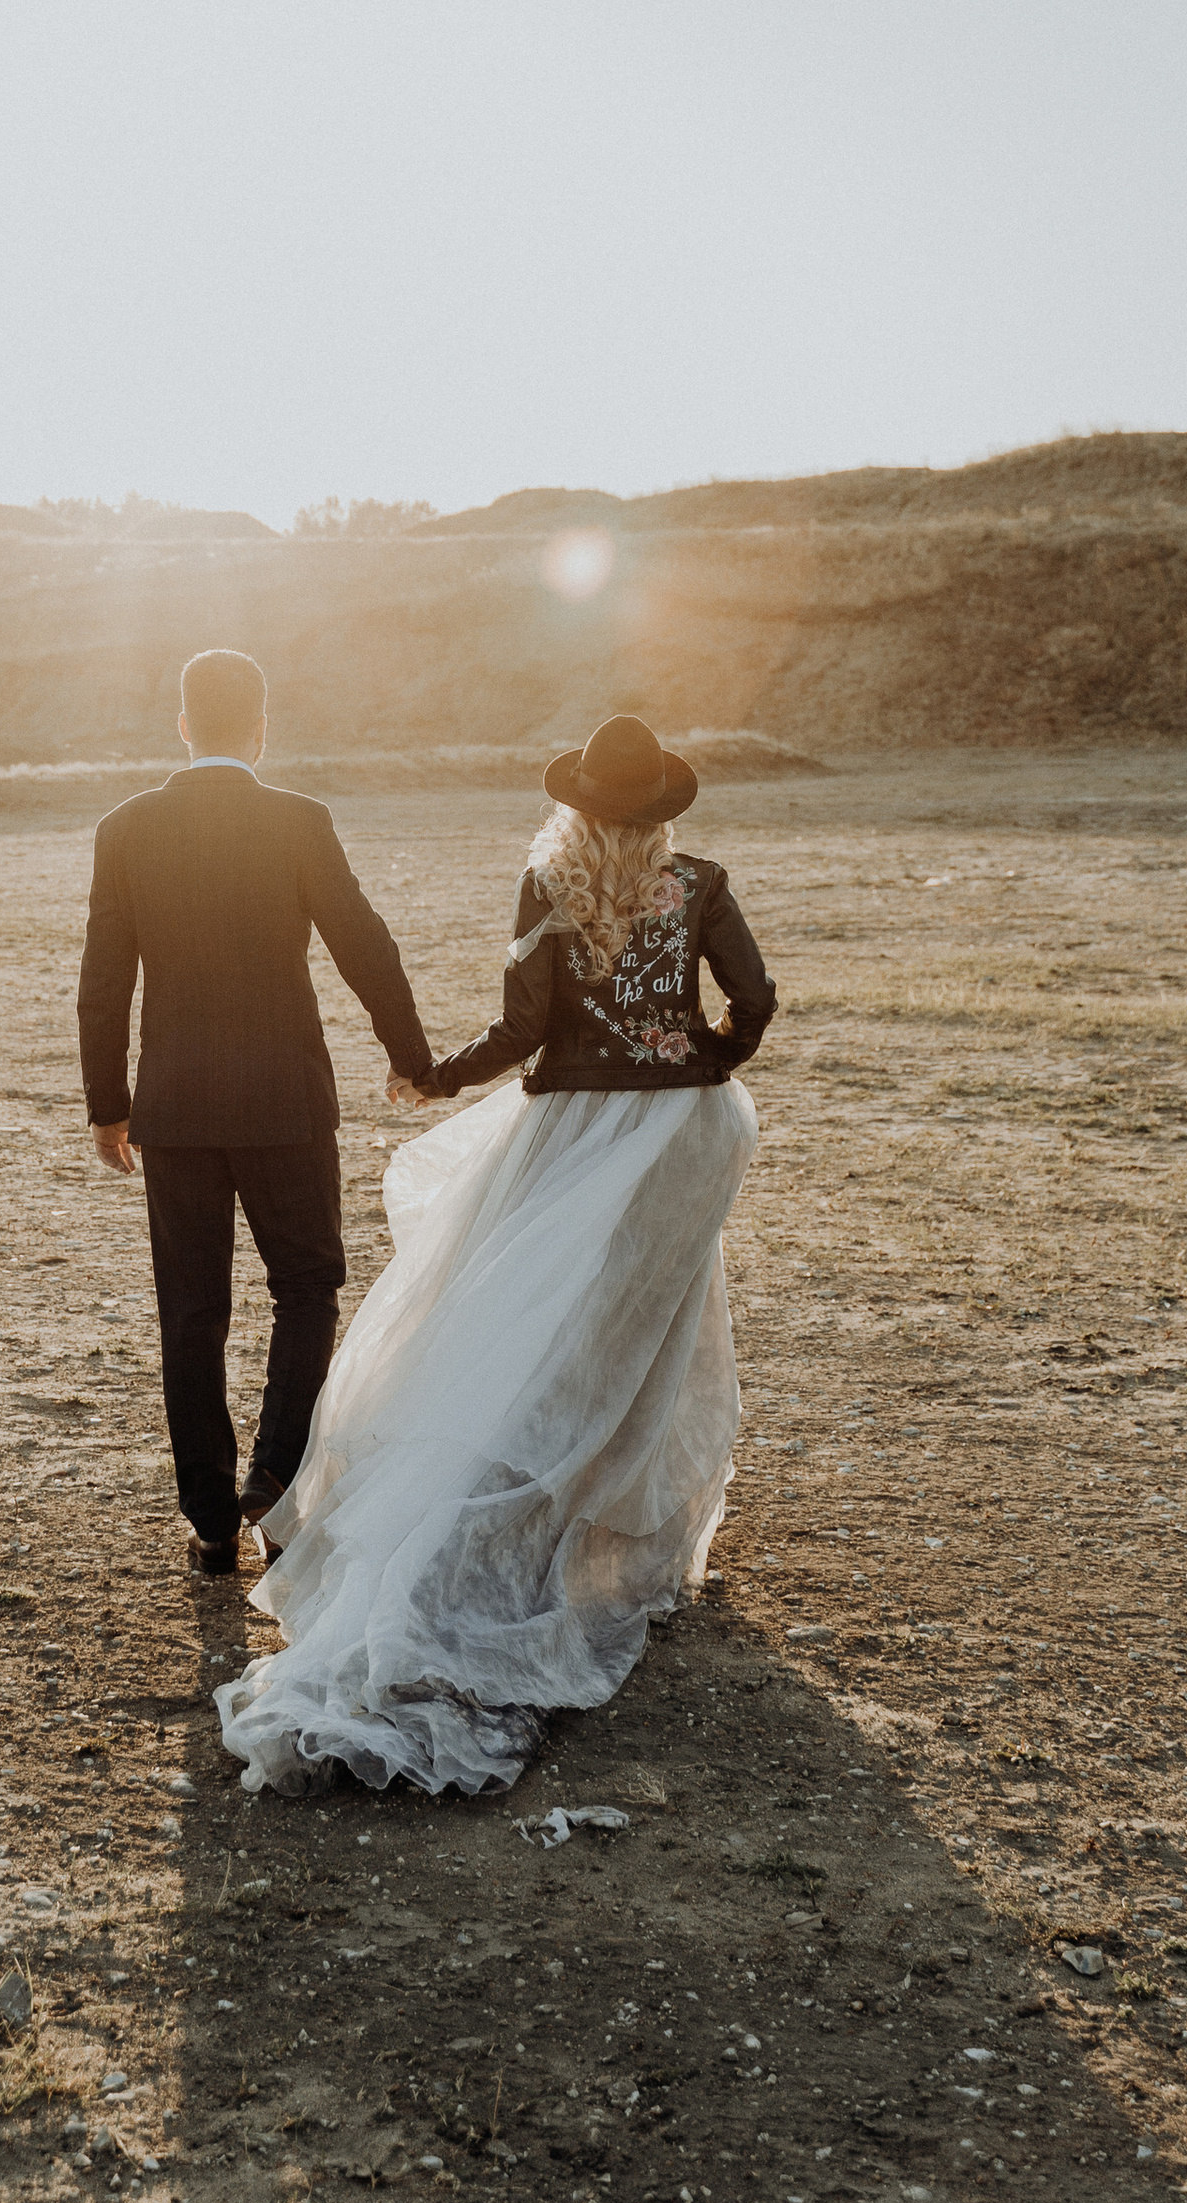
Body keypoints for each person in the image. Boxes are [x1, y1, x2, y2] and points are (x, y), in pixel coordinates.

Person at [215, 713, 775, 1797]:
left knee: (538, 1329)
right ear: (659, 808)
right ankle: (612, 1526)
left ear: (577, 804)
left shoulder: (549, 885)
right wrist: (706, 1057)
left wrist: (435, 1074)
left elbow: (522, 1028)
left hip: (571, 1133)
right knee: (644, 1332)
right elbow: (753, 999)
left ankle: (528, 1515)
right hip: (679, 1140)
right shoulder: (700, 882)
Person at [76, 647, 437, 1576]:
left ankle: (207, 1521)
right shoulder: (298, 822)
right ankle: (275, 1475)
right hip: (285, 1099)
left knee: (190, 1311)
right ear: (262, 727)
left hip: (177, 1107)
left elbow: (103, 983)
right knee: (307, 1285)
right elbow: (365, 941)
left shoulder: (126, 828)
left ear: (185, 723)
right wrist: (410, 1056)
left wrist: (109, 1107)